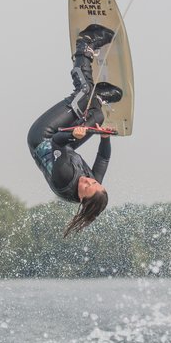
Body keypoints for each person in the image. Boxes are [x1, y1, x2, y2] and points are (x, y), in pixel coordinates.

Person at [27, 24, 123, 237]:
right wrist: (105, 138)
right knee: (98, 117)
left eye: (89, 185)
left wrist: (73, 134)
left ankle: (85, 44)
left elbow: (57, 142)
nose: (90, 180)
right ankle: (98, 98)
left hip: (44, 136)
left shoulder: (64, 179)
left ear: (82, 197)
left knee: (82, 92)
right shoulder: (95, 183)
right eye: (94, 182)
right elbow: (103, 159)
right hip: (65, 142)